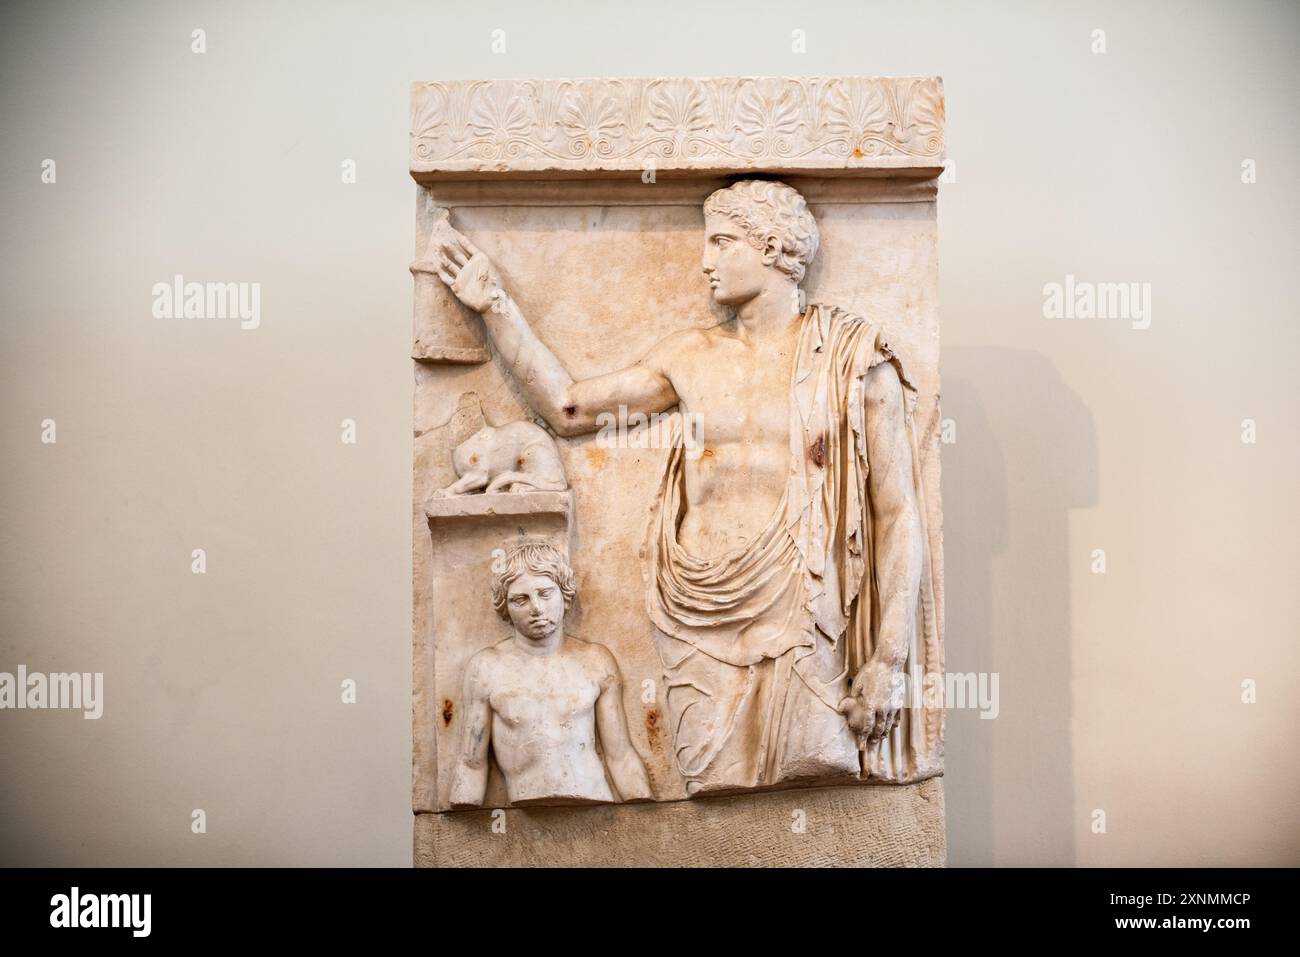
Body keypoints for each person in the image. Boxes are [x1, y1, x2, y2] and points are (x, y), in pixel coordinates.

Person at [432, 180, 940, 793]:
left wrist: (888, 660)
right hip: (695, 611)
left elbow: (897, 514)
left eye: (722, 242)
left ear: (773, 246)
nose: (705, 262)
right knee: (709, 786)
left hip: (804, 613)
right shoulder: (690, 356)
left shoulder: (854, 360)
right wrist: (495, 307)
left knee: (814, 769)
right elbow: (568, 410)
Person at [448, 541, 653, 806]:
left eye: (545, 594)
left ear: (565, 596)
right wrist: (462, 818)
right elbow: (471, 762)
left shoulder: (595, 660)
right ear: (505, 608)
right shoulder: (487, 667)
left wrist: (642, 808)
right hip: (528, 800)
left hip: (595, 796)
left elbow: (620, 754)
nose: (536, 608)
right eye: (521, 599)